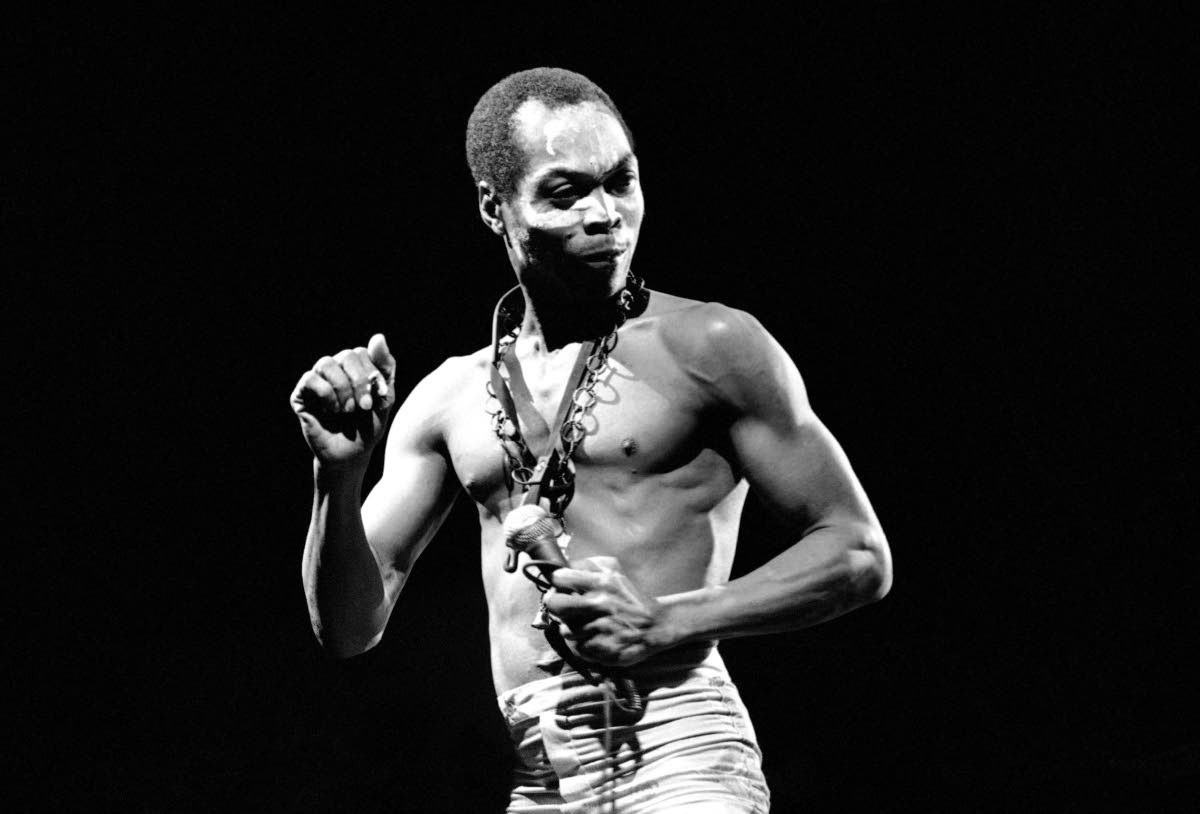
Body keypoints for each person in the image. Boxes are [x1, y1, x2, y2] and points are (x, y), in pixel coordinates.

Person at [290, 67, 892, 813]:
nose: (607, 215)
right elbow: (348, 629)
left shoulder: (708, 343)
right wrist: (336, 477)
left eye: (622, 181)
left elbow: (859, 552)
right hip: (540, 775)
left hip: (678, 748)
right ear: (493, 207)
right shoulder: (447, 398)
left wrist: (670, 619)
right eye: (566, 192)